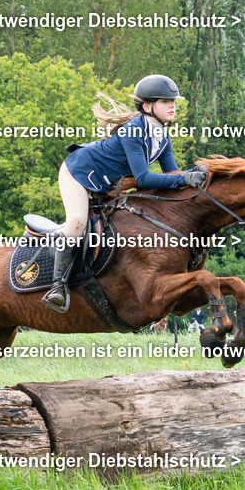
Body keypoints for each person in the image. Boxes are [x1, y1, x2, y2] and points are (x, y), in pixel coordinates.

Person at [42, 75, 207, 313]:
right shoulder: (134, 131)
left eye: (174, 101)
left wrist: (192, 174)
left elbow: (171, 173)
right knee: (77, 223)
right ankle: (57, 287)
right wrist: (183, 177)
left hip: (106, 183)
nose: (172, 106)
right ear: (148, 106)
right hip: (78, 173)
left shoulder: (162, 137)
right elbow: (143, 178)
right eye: (165, 101)